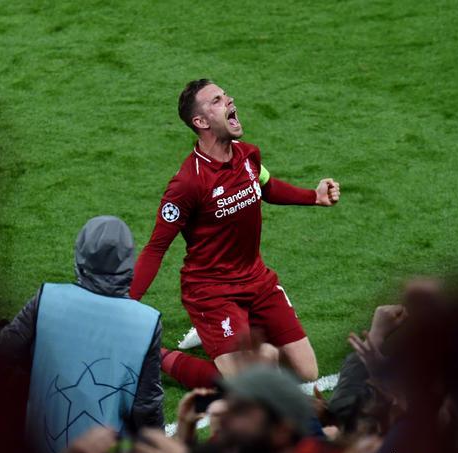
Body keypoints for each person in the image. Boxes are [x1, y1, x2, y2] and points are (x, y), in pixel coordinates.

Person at [130, 79, 341, 387]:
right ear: (201, 122)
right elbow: (155, 248)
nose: (229, 101)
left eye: (225, 95)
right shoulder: (188, 183)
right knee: (247, 384)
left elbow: (267, 187)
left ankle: (229, 333)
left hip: (257, 280)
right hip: (211, 291)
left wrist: (314, 197)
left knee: (306, 371)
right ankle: (153, 354)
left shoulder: (247, 155)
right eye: (216, 101)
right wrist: (123, 305)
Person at [0, 215, 164, 453]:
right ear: (128, 261)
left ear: (81, 254)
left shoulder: (46, 299)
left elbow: (0, 354)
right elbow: (146, 408)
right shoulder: (147, 321)